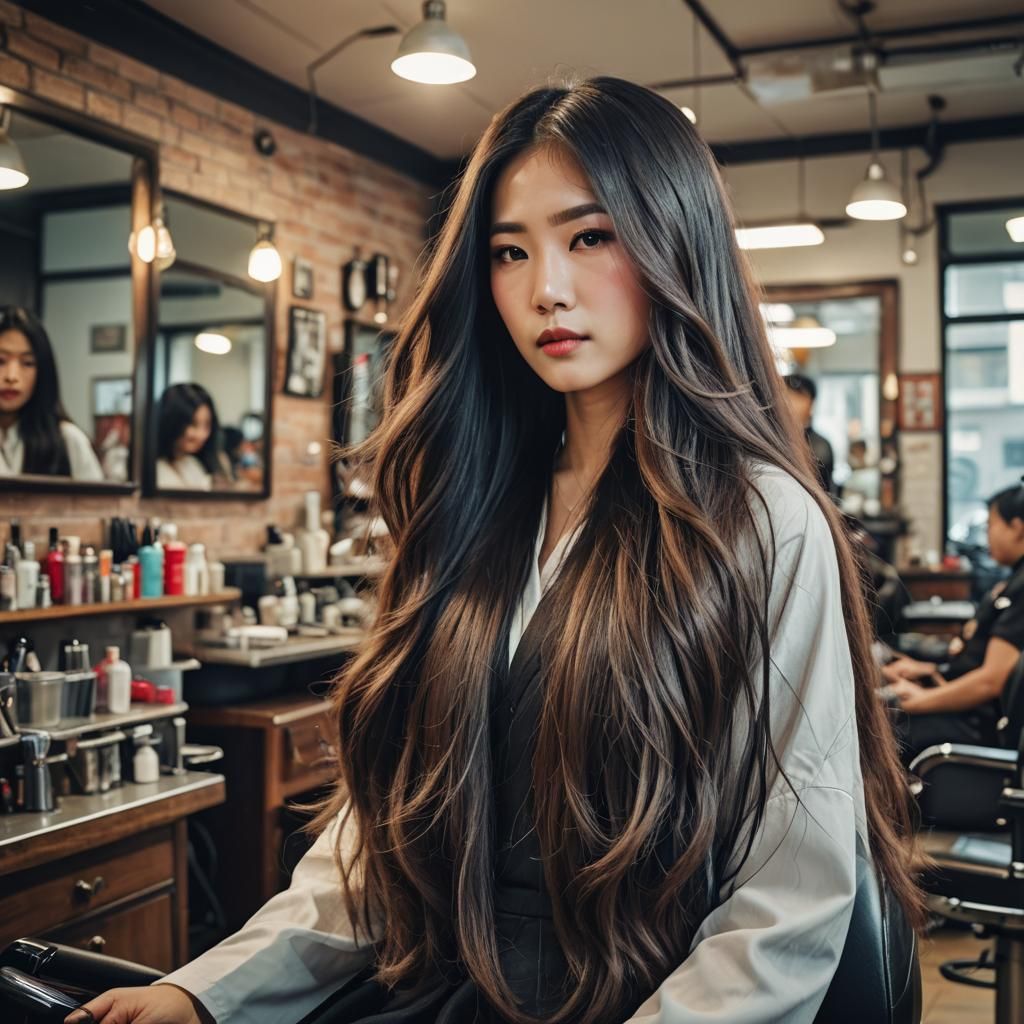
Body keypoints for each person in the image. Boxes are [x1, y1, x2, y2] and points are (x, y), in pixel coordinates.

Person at [71, 77, 923, 1024]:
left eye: (589, 237)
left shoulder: (760, 521)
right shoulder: (475, 508)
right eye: (510, 252)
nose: (545, 289)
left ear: (674, 242)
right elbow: (381, 845)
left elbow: (787, 901)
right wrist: (204, 992)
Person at [883, 478, 1024, 765]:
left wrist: (919, 701)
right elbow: (976, 661)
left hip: (978, 726)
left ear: (1017, 528)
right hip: (968, 711)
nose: (987, 535)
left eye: (991, 525)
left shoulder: (1021, 589)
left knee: (880, 732)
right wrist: (929, 671)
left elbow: (990, 681)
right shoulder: (1011, 581)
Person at [0, 306, 104, 480]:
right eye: (1, 361)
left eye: (27, 363)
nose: (11, 376)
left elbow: (97, 497)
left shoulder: (68, 441)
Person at [155, 383, 231, 490]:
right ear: (172, 422)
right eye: (193, 424)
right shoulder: (154, 471)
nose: (202, 435)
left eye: (207, 425)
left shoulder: (192, 463)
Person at [782, 372, 835, 496]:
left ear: (811, 403)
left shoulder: (820, 445)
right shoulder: (774, 439)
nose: (789, 402)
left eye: (797, 397)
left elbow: (826, 492)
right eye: (785, 396)